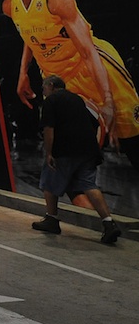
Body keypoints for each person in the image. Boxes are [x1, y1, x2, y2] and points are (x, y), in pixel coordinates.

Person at [3, 0, 139, 168]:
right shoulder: (10, 5)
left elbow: (87, 51)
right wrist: (23, 72)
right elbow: (31, 33)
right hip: (59, 84)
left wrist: (107, 100)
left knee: (133, 142)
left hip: (92, 66)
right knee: (65, 166)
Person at [32, 75, 121, 243]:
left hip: (66, 149)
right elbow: (93, 122)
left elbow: (49, 128)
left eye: (44, 88)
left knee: (49, 182)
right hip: (88, 150)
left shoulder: (51, 101)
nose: (43, 92)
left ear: (51, 85)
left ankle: (51, 219)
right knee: (89, 185)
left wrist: (49, 153)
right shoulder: (78, 100)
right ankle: (109, 223)